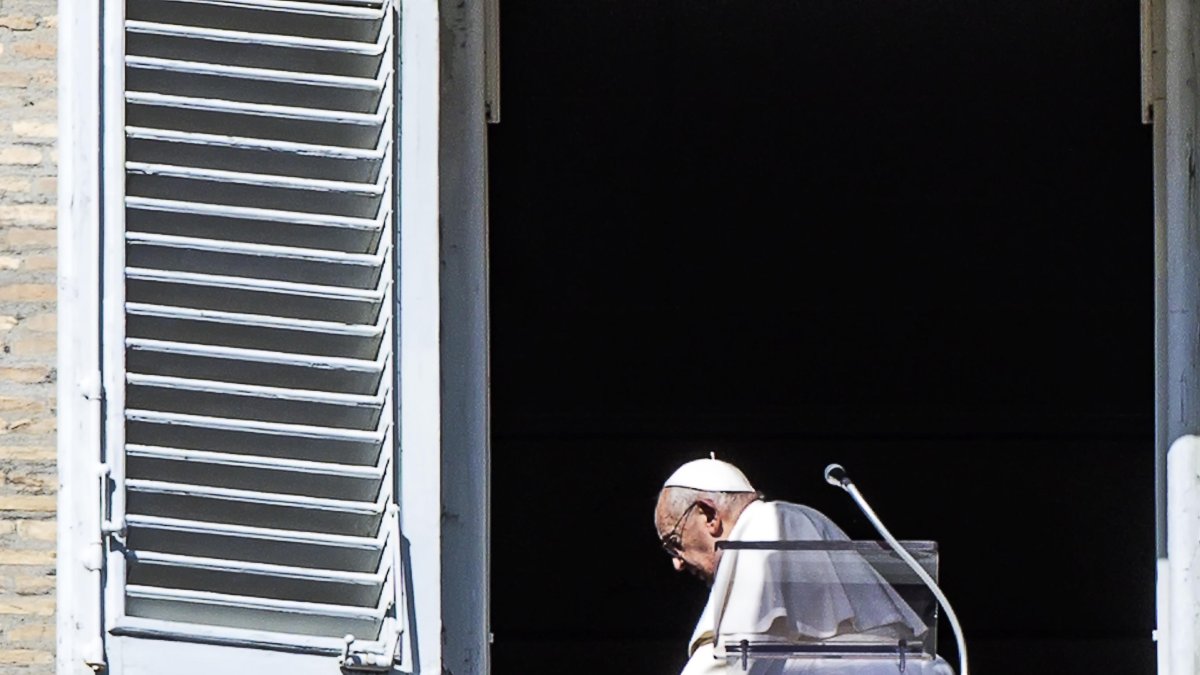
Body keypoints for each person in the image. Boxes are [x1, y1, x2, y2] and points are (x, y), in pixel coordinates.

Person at [655, 457, 955, 675]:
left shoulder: (766, 524)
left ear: (709, 515)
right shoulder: (800, 518)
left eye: (674, 541)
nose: (677, 562)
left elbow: (733, 658)